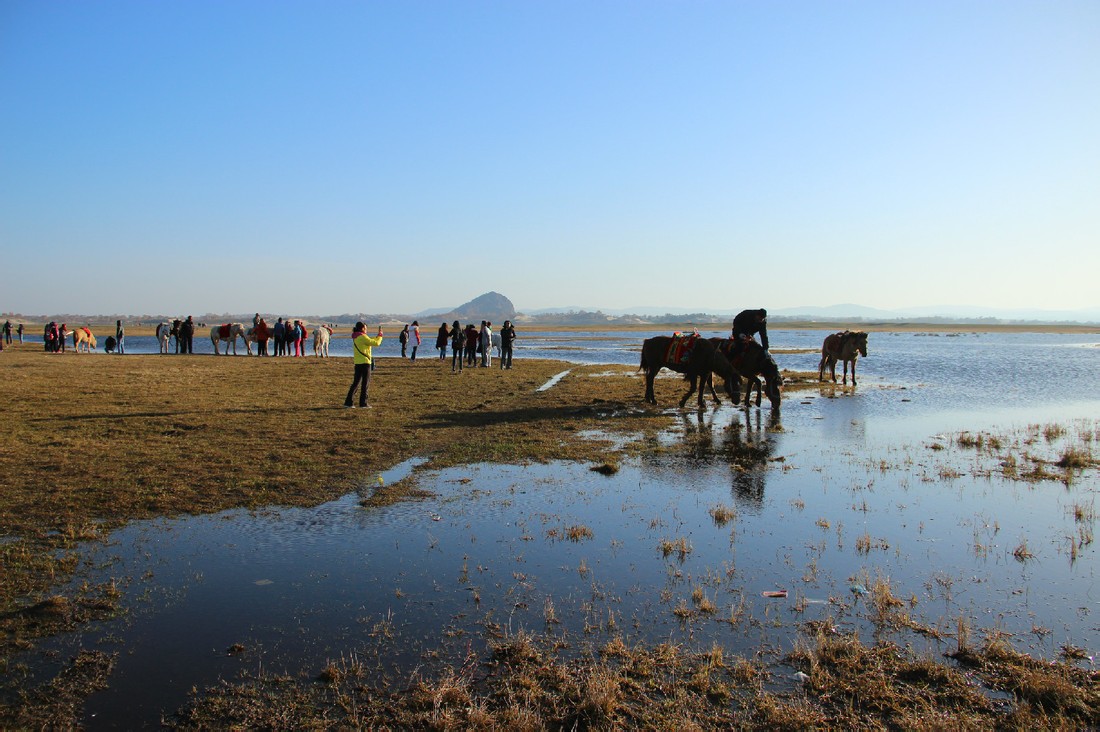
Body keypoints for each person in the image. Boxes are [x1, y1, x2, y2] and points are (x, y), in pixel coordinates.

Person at [344, 321, 383, 408]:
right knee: (365, 383)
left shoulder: (356, 337)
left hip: (358, 362)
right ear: (362, 328)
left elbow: (370, 341)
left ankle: (348, 402)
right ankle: (363, 403)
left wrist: (377, 337)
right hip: (365, 362)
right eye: (365, 328)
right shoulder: (362, 336)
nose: (366, 330)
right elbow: (375, 343)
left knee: (356, 383)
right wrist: (380, 336)